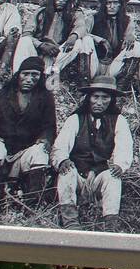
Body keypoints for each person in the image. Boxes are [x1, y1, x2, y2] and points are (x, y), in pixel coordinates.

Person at [0, 56, 57, 207]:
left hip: (24, 154)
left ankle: (31, 206)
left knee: (40, 152)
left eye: (35, 75)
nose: (29, 79)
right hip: (1, 153)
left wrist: (45, 139)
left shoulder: (45, 98)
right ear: (18, 75)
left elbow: (49, 127)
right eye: (26, 74)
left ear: (40, 77)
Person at [52, 75, 134, 231]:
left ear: (111, 100)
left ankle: (110, 224)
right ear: (89, 97)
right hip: (77, 178)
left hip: (98, 177)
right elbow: (60, 145)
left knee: (113, 177)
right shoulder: (76, 119)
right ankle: (70, 221)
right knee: (67, 171)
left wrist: (119, 165)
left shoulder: (118, 120)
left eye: (105, 98)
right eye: (96, 97)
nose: (99, 102)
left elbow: (125, 146)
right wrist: (62, 160)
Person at [11, 0, 90, 89]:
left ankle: (50, 74)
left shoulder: (75, 12)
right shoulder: (42, 11)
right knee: (24, 41)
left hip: (58, 53)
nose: (61, 0)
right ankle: (19, 75)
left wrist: (73, 37)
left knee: (79, 42)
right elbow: (27, 33)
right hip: (38, 51)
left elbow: (81, 26)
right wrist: (41, 45)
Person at [85, 0, 140, 87]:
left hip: (114, 64)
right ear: (104, 5)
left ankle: (121, 85)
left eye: (115, 3)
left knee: (136, 46)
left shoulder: (128, 20)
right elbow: (83, 34)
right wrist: (101, 40)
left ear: (121, 5)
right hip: (95, 63)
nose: (112, 6)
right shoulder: (92, 18)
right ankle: (85, 81)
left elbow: (130, 36)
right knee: (86, 40)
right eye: (108, 3)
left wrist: (131, 36)